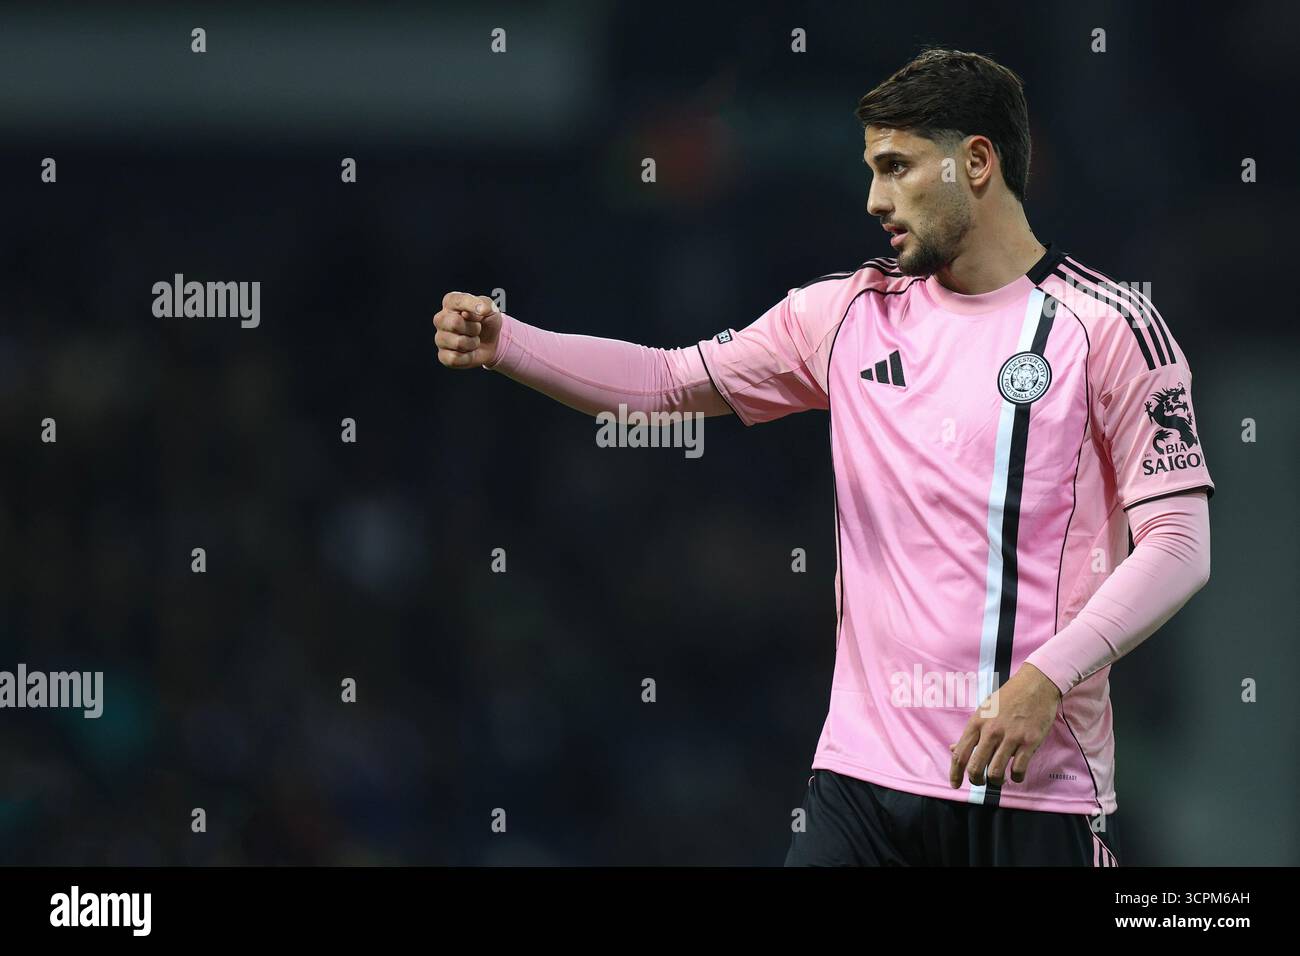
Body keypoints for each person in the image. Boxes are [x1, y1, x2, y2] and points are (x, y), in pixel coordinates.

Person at [431, 48, 1213, 866]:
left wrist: (1045, 678)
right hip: (858, 787)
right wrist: (508, 343)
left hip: (1030, 794)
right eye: (873, 169)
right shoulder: (844, 316)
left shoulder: (1112, 331)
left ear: (976, 162)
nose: (875, 198)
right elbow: (666, 382)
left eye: (898, 167)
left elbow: (1179, 546)